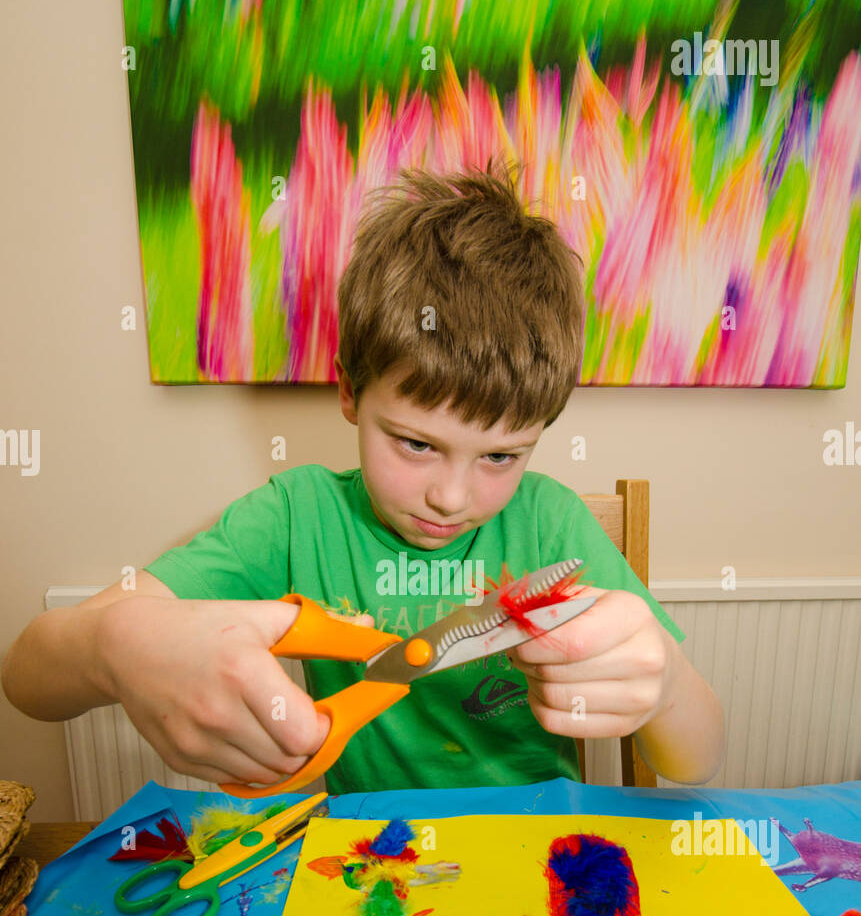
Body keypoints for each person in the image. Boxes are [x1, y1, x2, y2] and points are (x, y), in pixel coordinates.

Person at [2, 162, 724, 794]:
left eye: (502, 457)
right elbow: (27, 678)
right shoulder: (294, 517)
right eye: (415, 444)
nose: (451, 496)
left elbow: (698, 758)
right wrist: (115, 645)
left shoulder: (554, 525)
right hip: (361, 867)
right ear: (349, 391)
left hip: (539, 865)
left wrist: (660, 689)